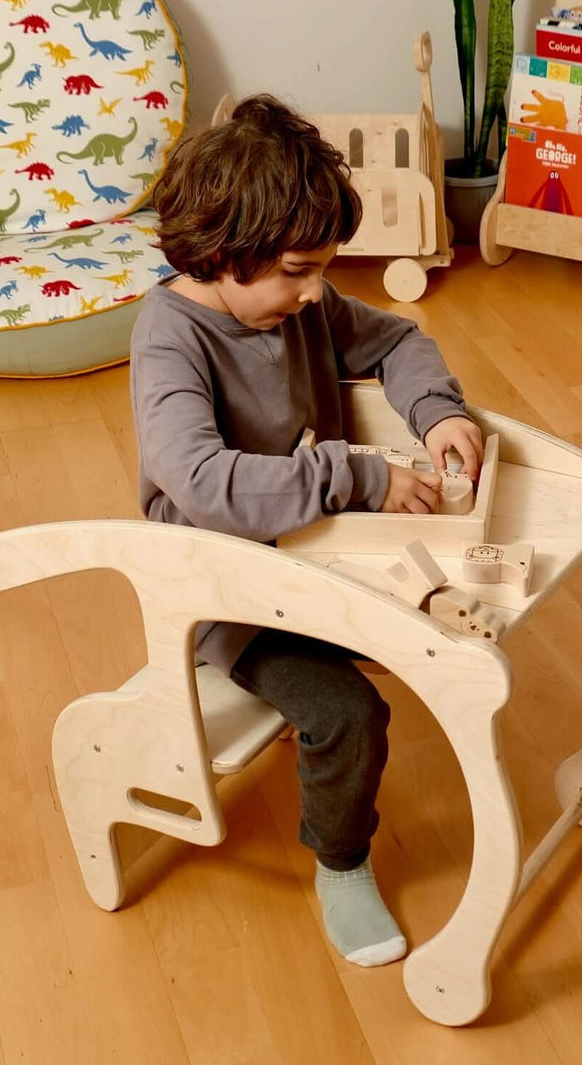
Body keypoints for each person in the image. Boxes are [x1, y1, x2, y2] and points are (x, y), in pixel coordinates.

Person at [130, 94, 483, 966]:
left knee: (464, 622)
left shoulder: (299, 306)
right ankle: (342, 859)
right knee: (348, 714)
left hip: (320, 555)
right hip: (230, 587)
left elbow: (398, 341)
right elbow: (204, 485)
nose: (316, 291)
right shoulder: (170, 340)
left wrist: (437, 415)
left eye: (322, 269)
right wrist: (359, 473)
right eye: (296, 270)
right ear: (220, 253)